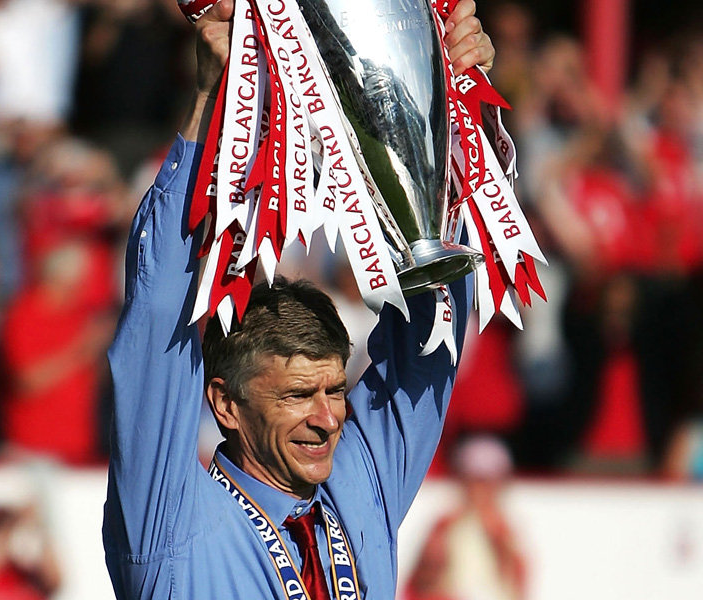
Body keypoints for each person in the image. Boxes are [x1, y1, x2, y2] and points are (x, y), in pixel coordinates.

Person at [102, 0, 495, 598]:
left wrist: (453, 102)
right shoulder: (170, 526)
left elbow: (431, 330)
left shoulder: (356, 496)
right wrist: (211, 103)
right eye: (297, 394)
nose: (327, 418)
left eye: (334, 390)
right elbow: (157, 321)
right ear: (225, 405)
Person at [403, 435, 526, 600]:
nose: (480, 490)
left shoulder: (505, 531)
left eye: (486, 482)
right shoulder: (444, 527)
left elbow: (516, 585)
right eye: (475, 481)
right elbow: (419, 586)